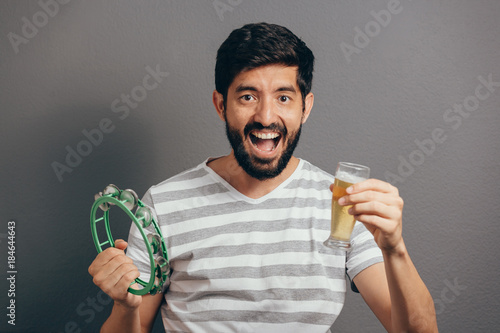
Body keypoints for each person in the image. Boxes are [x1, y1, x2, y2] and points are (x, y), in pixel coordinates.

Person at [88, 22, 438, 332]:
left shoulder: (340, 205)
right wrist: (124, 304)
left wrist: (395, 249)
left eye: (284, 97)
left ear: (306, 107)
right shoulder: (163, 204)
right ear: (221, 105)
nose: (266, 116)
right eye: (248, 96)